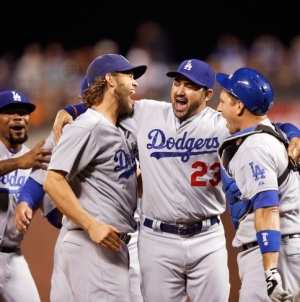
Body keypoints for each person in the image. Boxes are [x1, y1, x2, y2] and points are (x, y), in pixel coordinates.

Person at [52, 58, 300, 302]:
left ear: (207, 95)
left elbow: (263, 125)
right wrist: (71, 110)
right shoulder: (148, 113)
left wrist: (293, 133)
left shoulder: (221, 124)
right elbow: (109, 104)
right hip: (156, 238)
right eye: (177, 83)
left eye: (190, 86)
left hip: (207, 237)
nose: (180, 90)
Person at [14, 75, 144, 302]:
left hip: (125, 235)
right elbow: (45, 178)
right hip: (83, 232)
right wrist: (26, 201)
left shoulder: (128, 126)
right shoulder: (73, 130)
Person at [216, 67, 300, 301]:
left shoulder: (254, 148)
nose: (219, 108)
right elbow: (284, 126)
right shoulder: (274, 134)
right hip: (287, 248)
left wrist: (270, 272)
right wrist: (296, 134)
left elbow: (267, 208)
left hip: (273, 254)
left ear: (240, 106)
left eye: (223, 102)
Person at [0, 90, 51, 302]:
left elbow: (50, 208)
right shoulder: (28, 160)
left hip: (13, 255)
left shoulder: (34, 159)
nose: (18, 117)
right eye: (9, 112)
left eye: (23, 112)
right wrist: (21, 163)